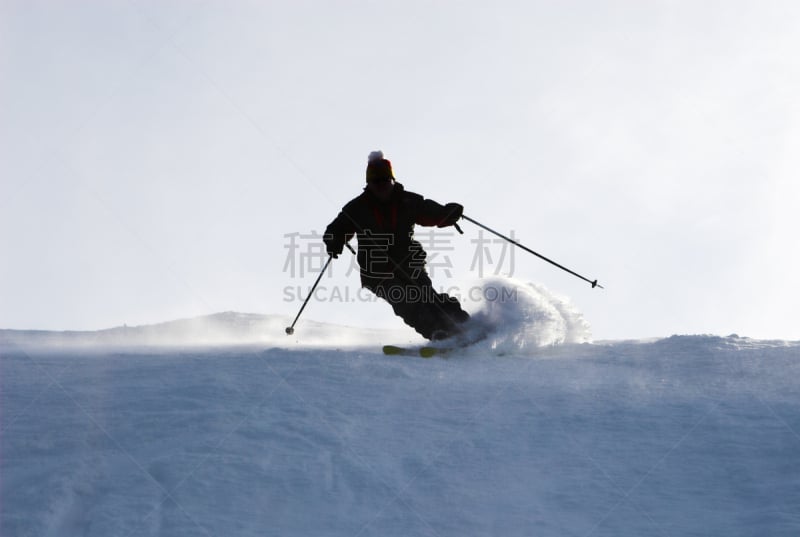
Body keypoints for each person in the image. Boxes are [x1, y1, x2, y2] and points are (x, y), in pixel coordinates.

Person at [324, 151, 470, 340]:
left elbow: (430, 212)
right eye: (376, 182)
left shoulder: (407, 201)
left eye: (386, 181)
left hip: (409, 262)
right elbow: (336, 229)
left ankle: (465, 325)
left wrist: (447, 213)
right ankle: (438, 333)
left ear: (392, 180)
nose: (382, 186)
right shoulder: (357, 208)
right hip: (377, 271)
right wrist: (334, 241)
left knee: (429, 297)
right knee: (406, 302)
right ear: (369, 184)